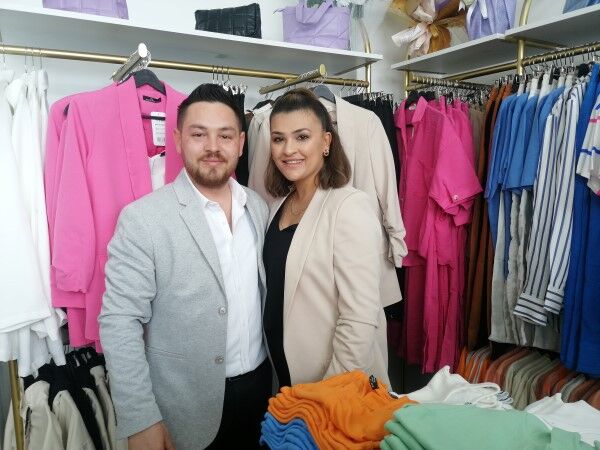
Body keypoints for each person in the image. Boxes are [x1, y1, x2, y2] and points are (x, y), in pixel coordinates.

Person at [99, 84, 271, 450]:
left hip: (261, 393)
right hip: (185, 407)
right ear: (178, 140)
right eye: (199, 134)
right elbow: (119, 321)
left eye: (225, 135)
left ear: (241, 143)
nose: (213, 147)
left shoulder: (257, 207)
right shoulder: (142, 219)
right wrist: (140, 418)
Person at [262, 88, 390, 388]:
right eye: (278, 139)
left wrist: (327, 393)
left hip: (332, 384)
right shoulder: (277, 206)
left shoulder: (349, 207)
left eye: (302, 137)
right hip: (286, 378)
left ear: (326, 142)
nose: (288, 149)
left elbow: (359, 319)